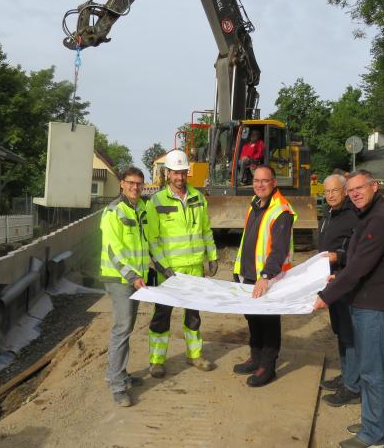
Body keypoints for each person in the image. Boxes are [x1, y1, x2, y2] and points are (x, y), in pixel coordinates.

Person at [313, 170, 384, 448]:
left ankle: (372, 436)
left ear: (374, 186)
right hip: (366, 300)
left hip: (376, 305)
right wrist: (337, 278)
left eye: (359, 188)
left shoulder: (379, 219)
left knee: (372, 371)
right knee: (370, 367)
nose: (354, 193)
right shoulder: (367, 215)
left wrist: (326, 296)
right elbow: (355, 261)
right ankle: (379, 423)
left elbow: (358, 266)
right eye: (350, 190)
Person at [145, 149, 218, 377]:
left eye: (183, 172)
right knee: (161, 316)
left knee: (194, 316)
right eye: (175, 173)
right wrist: (162, 266)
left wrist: (212, 256)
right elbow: (152, 239)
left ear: (188, 172)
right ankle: (157, 361)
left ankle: (194, 355)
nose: (179, 177)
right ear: (167, 174)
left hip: (195, 268)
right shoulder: (156, 202)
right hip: (168, 271)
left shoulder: (198, 197)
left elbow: (206, 230)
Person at [232, 165, 295, 387]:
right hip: (250, 275)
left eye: (264, 181)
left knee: (268, 321)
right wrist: (238, 271)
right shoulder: (255, 204)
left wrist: (265, 276)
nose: (259, 184)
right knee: (253, 319)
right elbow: (248, 240)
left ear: (274, 182)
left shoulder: (281, 211)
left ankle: (267, 367)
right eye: (256, 180)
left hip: (269, 278)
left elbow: (279, 250)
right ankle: (255, 358)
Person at [99, 166, 149, 407]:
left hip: (134, 279)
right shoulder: (113, 212)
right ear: (122, 183)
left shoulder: (139, 210)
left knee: (126, 328)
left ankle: (120, 373)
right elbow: (113, 250)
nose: (135, 187)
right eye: (130, 183)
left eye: (139, 183)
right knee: (121, 329)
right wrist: (131, 277)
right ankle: (117, 384)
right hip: (119, 280)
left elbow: (143, 245)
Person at [317, 174, 360, 408]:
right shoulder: (329, 214)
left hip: (346, 282)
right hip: (332, 281)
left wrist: (339, 256)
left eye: (334, 191)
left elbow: (358, 252)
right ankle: (347, 375)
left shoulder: (352, 216)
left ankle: (353, 386)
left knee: (349, 334)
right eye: (327, 192)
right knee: (341, 332)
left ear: (344, 191)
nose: (330, 195)